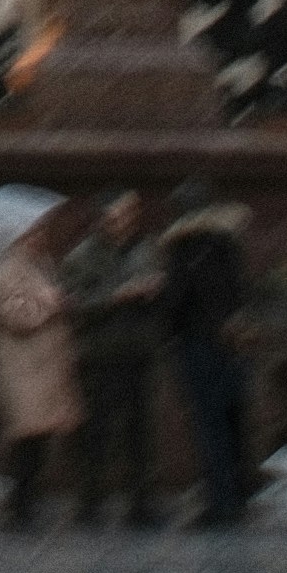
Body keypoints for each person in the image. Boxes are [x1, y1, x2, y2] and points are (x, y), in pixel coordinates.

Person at [63, 191, 177, 526]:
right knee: (97, 430)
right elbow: (75, 303)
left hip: (139, 350)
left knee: (140, 429)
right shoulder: (82, 256)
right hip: (100, 352)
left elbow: (164, 294)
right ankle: (89, 501)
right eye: (116, 216)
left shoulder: (147, 249)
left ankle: (141, 502)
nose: (124, 222)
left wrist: (155, 290)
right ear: (102, 220)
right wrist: (116, 296)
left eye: (129, 214)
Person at [158, 189, 264, 525]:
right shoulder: (229, 246)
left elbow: (175, 301)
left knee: (209, 425)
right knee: (234, 420)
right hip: (234, 346)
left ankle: (221, 501)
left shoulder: (183, 249)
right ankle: (240, 493)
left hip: (200, 345)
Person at [0, 200, 82, 525]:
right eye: (34, 231)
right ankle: (19, 506)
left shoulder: (40, 265)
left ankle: (25, 502)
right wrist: (53, 305)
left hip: (43, 366)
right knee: (26, 438)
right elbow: (16, 316)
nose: (40, 237)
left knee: (37, 438)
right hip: (22, 367)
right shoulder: (5, 271)